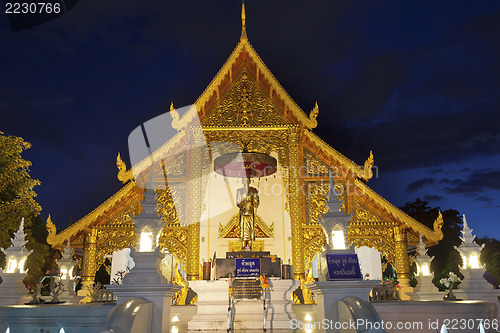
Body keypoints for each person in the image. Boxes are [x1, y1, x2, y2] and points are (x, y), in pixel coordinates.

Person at [236, 182, 259, 250]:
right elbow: (237, 202)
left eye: (247, 179)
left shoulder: (253, 190)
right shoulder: (239, 191)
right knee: (243, 229)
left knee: (250, 229)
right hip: (243, 212)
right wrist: (243, 204)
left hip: (250, 212)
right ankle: (243, 245)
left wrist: (254, 202)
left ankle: (250, 245)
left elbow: (256, 202)